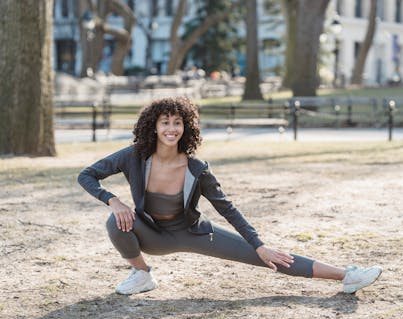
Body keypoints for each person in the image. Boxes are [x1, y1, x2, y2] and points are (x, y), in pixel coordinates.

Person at [78, 97, 382, 295]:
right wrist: (113, 199)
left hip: (193, 233)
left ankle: (348, 275)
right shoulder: (134, 156)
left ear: (186, 128)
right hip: (152, 235)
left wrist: (259, 245)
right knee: (114, 222)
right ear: (154, 127)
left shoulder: (196, 168)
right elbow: (87, 174)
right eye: (165, 122)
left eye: (177, 122)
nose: (171, 128)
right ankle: (142, 274)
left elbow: (227, 208)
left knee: (269, 257)